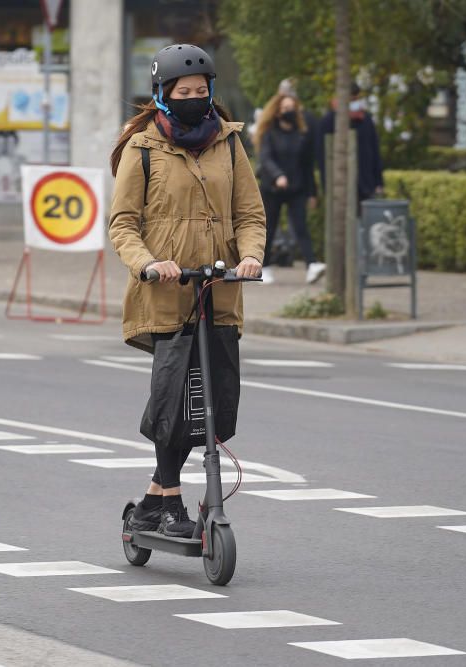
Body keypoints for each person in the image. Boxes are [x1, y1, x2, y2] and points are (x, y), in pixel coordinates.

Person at [109, 44, 265, 538]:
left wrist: (252, 254)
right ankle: (171, 501)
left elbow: (249, 214)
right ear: (163, 95)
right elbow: (123, 224)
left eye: (202, 92)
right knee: (174, 397)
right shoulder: (142, 148)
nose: (195, 99)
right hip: (166, 295)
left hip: (218, 291)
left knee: (215, 402)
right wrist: (150, 264)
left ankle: (155, 500)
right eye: (185, 92)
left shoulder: (230, 143)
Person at [254, 91, 324, 285]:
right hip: (272, 189)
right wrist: (278, 176)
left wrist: (312, 192)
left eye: (292, 108)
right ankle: (264, 266)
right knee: (269, 228)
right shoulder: (269, 133)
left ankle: (312, 265)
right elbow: (265, 159)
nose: (289, 112)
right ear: (277, 112)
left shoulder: (302, 135)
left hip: (296, 189)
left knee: (301, 227)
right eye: (285, 108)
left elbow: (307, 165)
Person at [315, 83, 385, 203]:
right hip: (339, 186)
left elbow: (374, 151)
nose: (355, 103)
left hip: (365, 184)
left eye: (356, 99)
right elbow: (322, 156)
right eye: (352, 99)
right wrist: (327, 185)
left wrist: (378, 182)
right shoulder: (328, 121)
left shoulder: (365, 119)